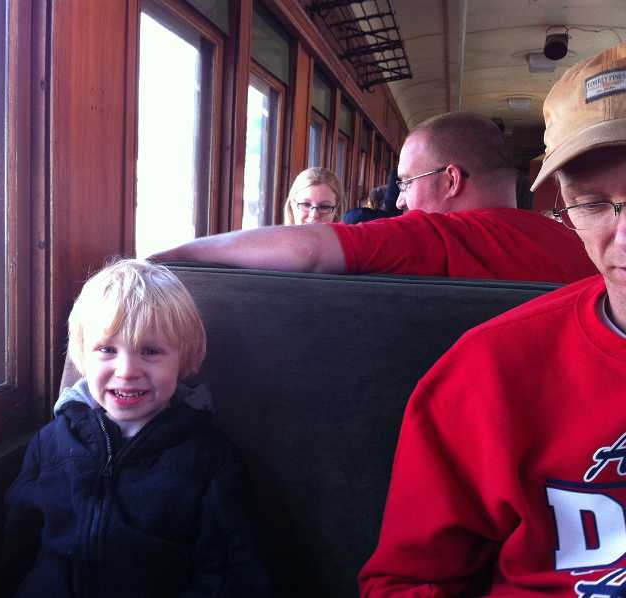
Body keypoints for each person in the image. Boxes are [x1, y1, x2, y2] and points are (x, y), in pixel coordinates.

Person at [359, 42, 626, 595]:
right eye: (593, 203)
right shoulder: (486, 371)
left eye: (408, 184)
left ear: (451, 179)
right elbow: (407, 582)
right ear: (566, 206)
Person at [4, 259, 268, 598]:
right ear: (83, 356)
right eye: (107, 350)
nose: (127, 370)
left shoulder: (210, 460)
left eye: (150, 351)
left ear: (183, 358)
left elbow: (231, 576)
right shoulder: (50, 443)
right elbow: (17, 547)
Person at [151, 112, 597, 284]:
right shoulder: (581, 245)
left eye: (406, 182)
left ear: (451, 181)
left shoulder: (439, 237)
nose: (399, 201)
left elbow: (308, 252)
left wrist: (167, 257)